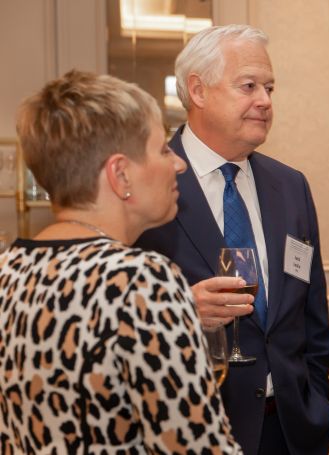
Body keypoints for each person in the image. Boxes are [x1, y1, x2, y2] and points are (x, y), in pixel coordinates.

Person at [0, 70, 247, 453]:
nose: (178, 164)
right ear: (120, 174)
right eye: (163, 149)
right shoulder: (142, 281)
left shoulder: (9, 270)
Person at [135, 25, 329, 455]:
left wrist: (315, 403)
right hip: (189, 431)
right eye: (248, 86)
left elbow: (312, 315)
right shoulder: (149, 183)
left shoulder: (290, 185)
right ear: (198, 90)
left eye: (269, 87)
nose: (265, 100)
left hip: (291, 429)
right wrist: (182, 309)